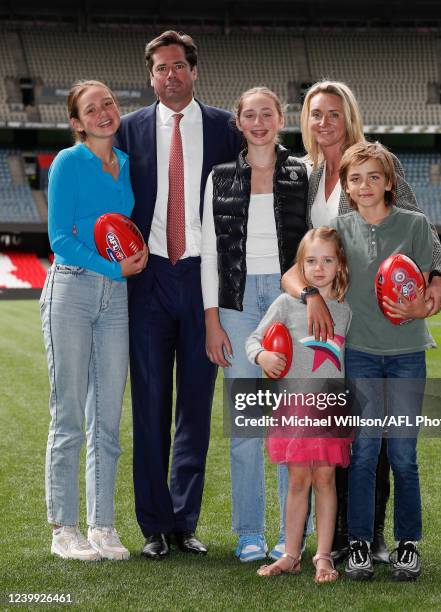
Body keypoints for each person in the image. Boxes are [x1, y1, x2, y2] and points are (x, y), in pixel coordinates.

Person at [281, 80, 441, 564]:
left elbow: (427, 243)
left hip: (391, 340)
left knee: (389, 451)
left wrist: (433, 290)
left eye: (334, 113)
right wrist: (312, 294)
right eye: (316, 113)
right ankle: (338, 540)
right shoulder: (304, 172)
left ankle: (378, 539)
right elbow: (301, 257)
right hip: (338, 332)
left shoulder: (380, 163)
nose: (324, 122)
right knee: (346, 444)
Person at [115, 31, 241, 559]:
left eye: (179, 66)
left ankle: (184, 521)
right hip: (147, 280)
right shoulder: (127, 129)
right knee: (149, 405)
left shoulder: (224, 129)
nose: (170, 75)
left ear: (194, 71)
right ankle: (153, 526)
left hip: (200, 279)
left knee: (194, 405)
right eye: (161, 68)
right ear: (151, 77)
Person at [40, 80, 147, 561]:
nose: (104, 112)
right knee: (68, 418)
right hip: (73, 289)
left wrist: (133, 256)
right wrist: (113, 267)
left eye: (108, 103)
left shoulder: (125, 164)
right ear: (77, 122)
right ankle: (64, 528)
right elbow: (60, 237)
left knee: (107, 417)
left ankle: (102, 525)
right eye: (91, 108)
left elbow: (119, 230)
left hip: (116, 297)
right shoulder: (68, 161)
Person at [201, 87, 309, 562]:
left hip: (290, 301)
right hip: (238, 303)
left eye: (267, 113)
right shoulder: (220, 177)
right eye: (250, 115)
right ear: (239, 123)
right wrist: (212, 319)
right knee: (247, 427)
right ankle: (249, 534)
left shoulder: (302, 172)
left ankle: (292, 533)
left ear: (280, 118)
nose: (259, 121)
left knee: (292, 424)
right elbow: (209, 253)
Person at [332, 141, 434, 581]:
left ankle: (407, 543)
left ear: (389, 181)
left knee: (404, 455)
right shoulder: (338, 229)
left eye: (375, 176)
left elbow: (429, 288)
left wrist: (424, 306)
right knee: (365, 452)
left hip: (407, 353)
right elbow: (310, 269)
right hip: (361, 355)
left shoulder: (415, 224)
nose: (365, 185)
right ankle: (359, 542)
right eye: (356, 179)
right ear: (347, 187)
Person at [245, 227, 352, 582]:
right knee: (297, 481)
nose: (319, 268)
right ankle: (290, 553)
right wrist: (262, 356)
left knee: (325, 479)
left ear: (340, 265)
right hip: (292, 408)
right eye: (311, 261)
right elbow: (253, 339)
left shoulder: (345, 311)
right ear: (300, 265)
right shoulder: (285, 304)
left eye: (327, 260)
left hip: (329, 410)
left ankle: (323, 556)